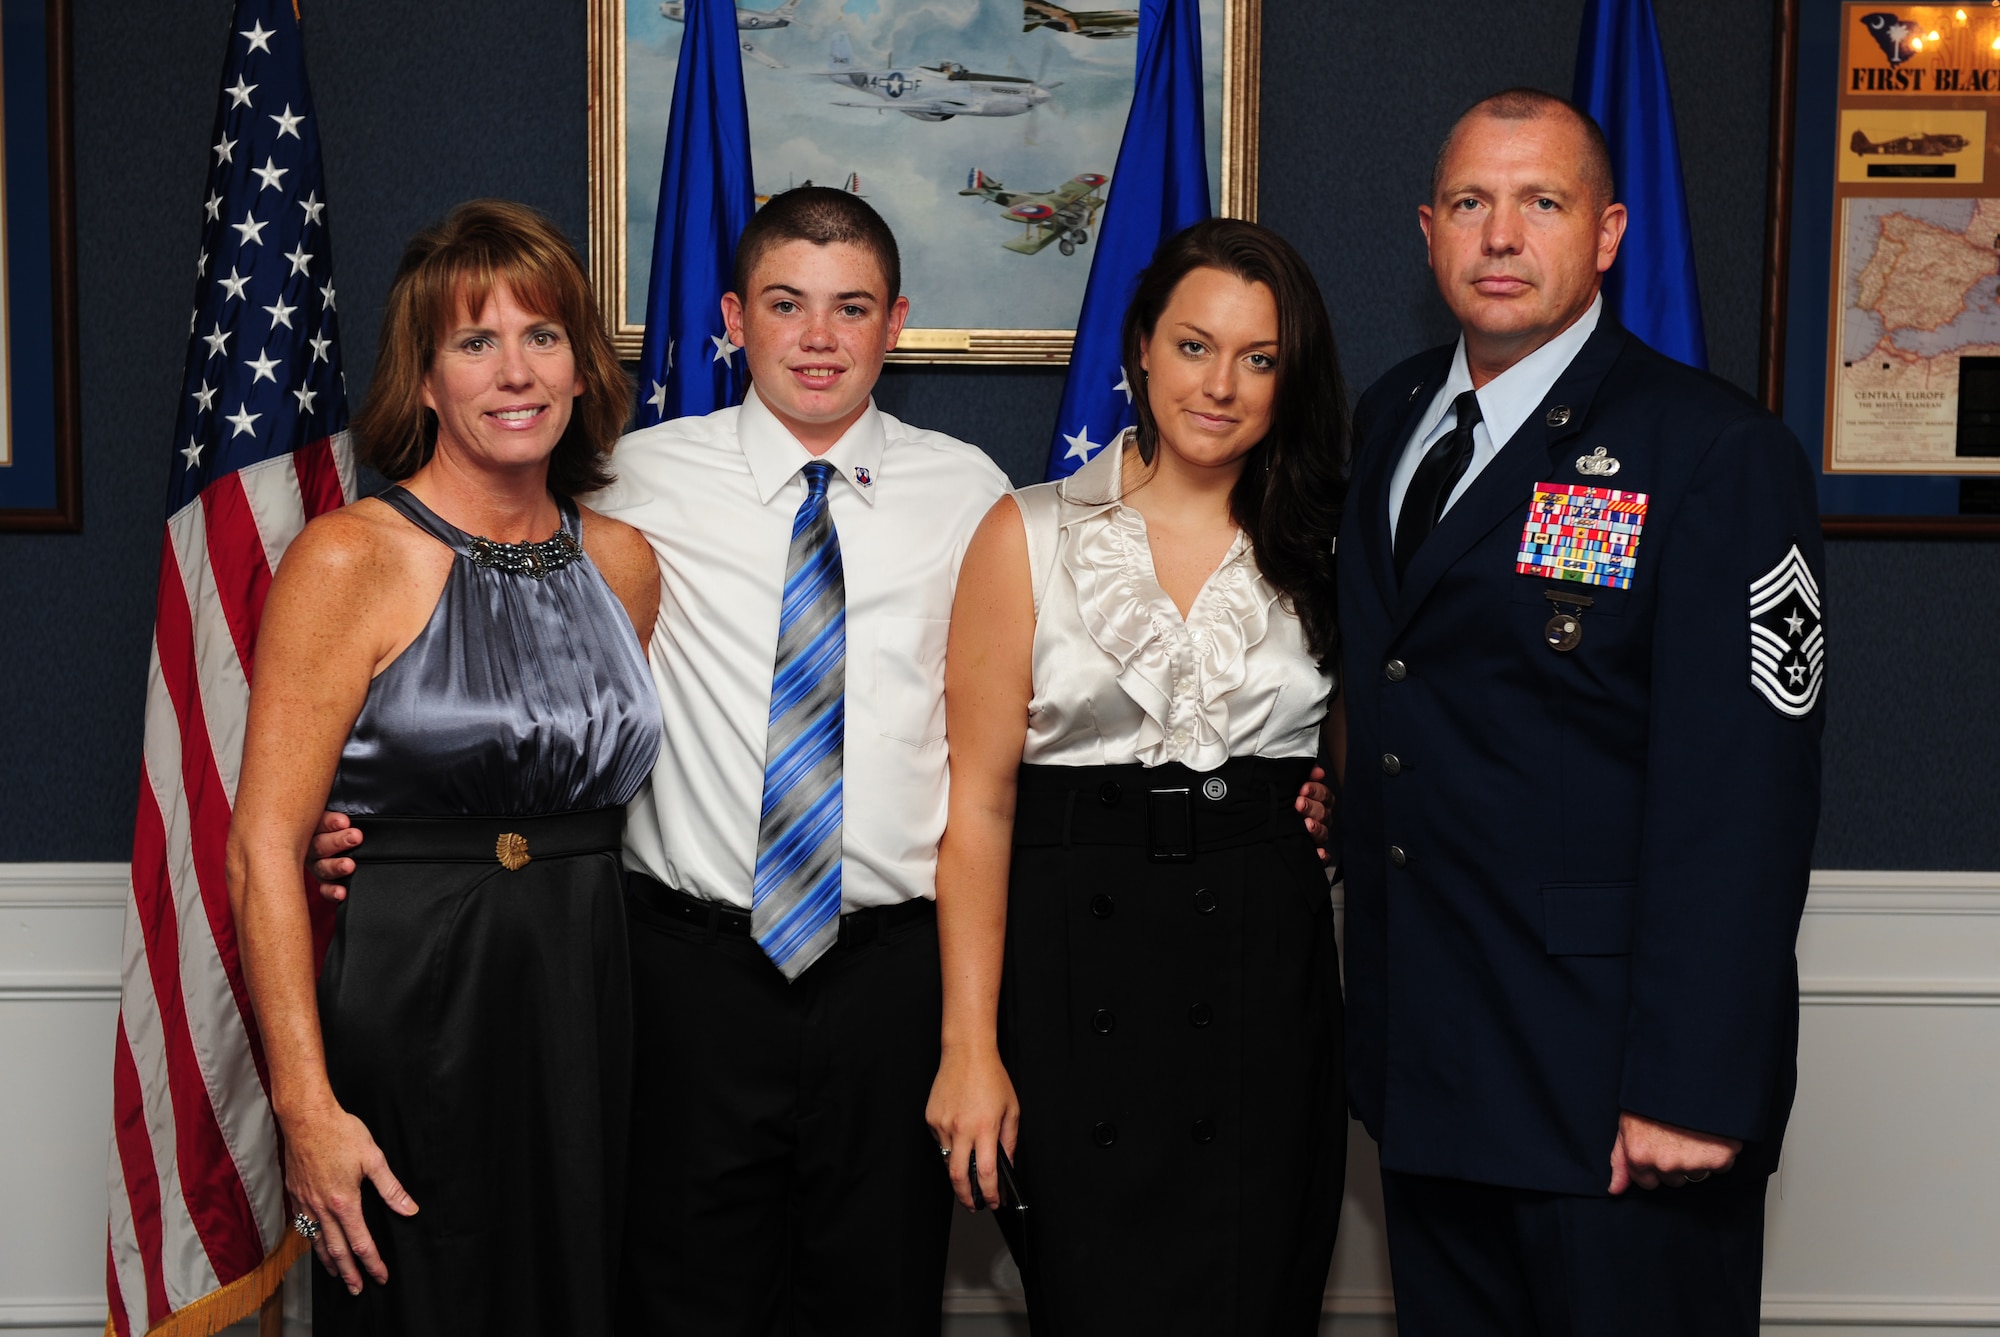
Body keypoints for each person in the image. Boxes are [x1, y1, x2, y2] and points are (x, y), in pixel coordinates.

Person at [1338, 89, 1824, 1335]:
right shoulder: (1391, 416)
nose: (1499, 235)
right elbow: (1405, 681)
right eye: (1468, 204)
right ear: (1427, 228)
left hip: (1610, 1085)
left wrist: (1693, 1085)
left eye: (1538, 203)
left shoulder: (1710, 449)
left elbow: (1743, 793)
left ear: (1605, 233)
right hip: (1431, 1067)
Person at [227, 200, 663, 1336]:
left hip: (590, 990)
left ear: (579, 369)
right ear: (423, 380)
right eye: (474, 342)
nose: (513, 371)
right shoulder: (349, 557)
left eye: (542, 336)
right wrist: (306, 1105)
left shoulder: (624, 562)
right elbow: (263, 848)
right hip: (416, 994)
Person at [926, 218, 1351, 1333]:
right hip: (1074, 974)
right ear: (1140, 352)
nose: (1221, 385)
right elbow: (974, 806)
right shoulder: (1025, 530)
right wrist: (969, 1046)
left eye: (1258, 359)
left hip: (1266, 968)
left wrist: (1336, 800)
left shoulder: (1329, 543)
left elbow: (1398, 734)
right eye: (1194, 345)